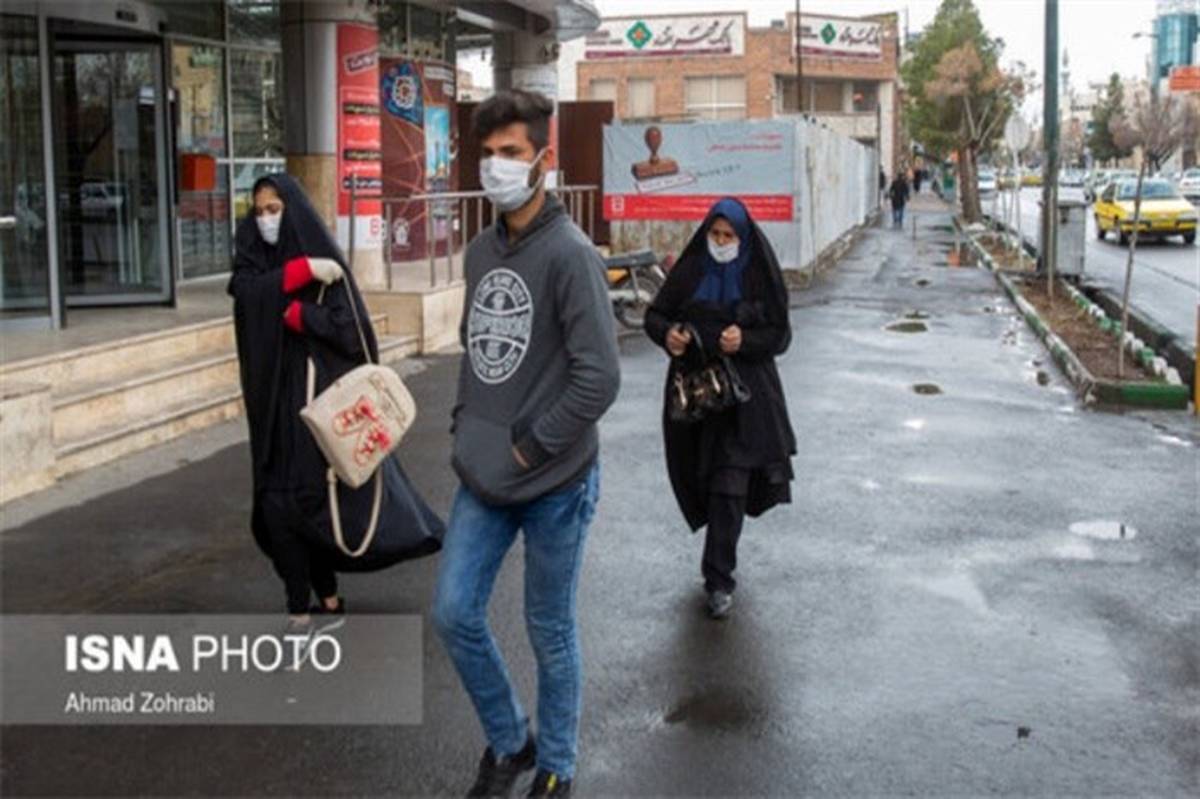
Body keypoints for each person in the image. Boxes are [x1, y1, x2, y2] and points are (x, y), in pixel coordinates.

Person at [431, 90, 620, 798]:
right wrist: (466, 425)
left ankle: (557, 767)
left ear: (544, 158)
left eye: (510, 153)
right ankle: (512, 740)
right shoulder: (481, 251)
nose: (496, 167)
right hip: (484, 475)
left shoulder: (571, 255)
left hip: (554, 481)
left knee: (548, 628)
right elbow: (478, 349)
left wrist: (531, 447)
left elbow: (600, 377)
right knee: (453, 612)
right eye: (487, 154)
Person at [228, 173, 444, 638]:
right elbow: (246, 294)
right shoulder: (256, 262)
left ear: (293, 212)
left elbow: (355, 333)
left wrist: (304, 316)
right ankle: (307, 605)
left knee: (310, 505)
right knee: (278, 506)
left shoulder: (328, 266)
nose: (265, 220)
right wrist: (297, 274)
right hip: (274, 410)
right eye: (259, 211)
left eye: (274, 210)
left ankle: (316, 602)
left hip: (321, 411)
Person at [644, 197, 796, 620]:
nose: (722, 242)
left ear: (743, 237)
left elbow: (780, 335)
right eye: (715, 234)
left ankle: (718, 578)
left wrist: (745, 341)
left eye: (729, 235)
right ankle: (718, 560)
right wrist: (669, 335)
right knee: (705, 480)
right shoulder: (692, 269)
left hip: (745, 401)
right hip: (696, 399)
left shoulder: (757, 273)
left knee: (730, 484)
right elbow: (655, 316)